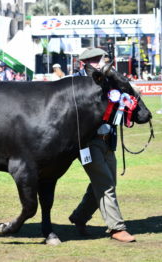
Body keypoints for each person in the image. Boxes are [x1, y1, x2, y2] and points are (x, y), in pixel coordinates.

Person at [69, 48, 136, 243]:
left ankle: (79, 217)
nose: (98, 62)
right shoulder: (75, 83)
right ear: (85, 62)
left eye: (100, 58)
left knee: (105, 184)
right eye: (93, 59)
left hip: (109, 139)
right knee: (105, 185)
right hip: (88, 142)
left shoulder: (108, 81)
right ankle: (116, 228)